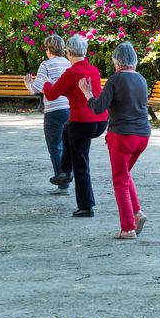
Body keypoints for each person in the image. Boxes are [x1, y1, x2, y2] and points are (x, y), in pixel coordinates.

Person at [78, 42, 150, 239]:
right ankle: (136, 212)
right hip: (142, 135)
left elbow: (98, 108)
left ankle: (128, 228)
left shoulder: (115, 80)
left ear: (116, 61)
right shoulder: (141, 79)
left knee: (119, 180)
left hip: (122, 135)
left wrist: (87, 92)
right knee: (125, 174)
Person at [43, 36, 108, 217]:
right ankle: (65, 171)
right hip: (101, 121)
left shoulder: (72, 72)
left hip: (85, 122)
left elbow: (52, 94)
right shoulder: (93, 70)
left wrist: (45, 82)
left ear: (69, 52)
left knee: (81, 164)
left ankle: (86, 206)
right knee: (67, 128)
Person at [24, 35, 73, 195]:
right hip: (68, 108)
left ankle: (62, 183)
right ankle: (69, 174)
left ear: (48, 49)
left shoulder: (45, 65)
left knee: (54, 147)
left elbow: (35, 89)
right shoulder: (68, 63)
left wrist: (27, 82)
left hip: (53, 110)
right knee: (67, 145)